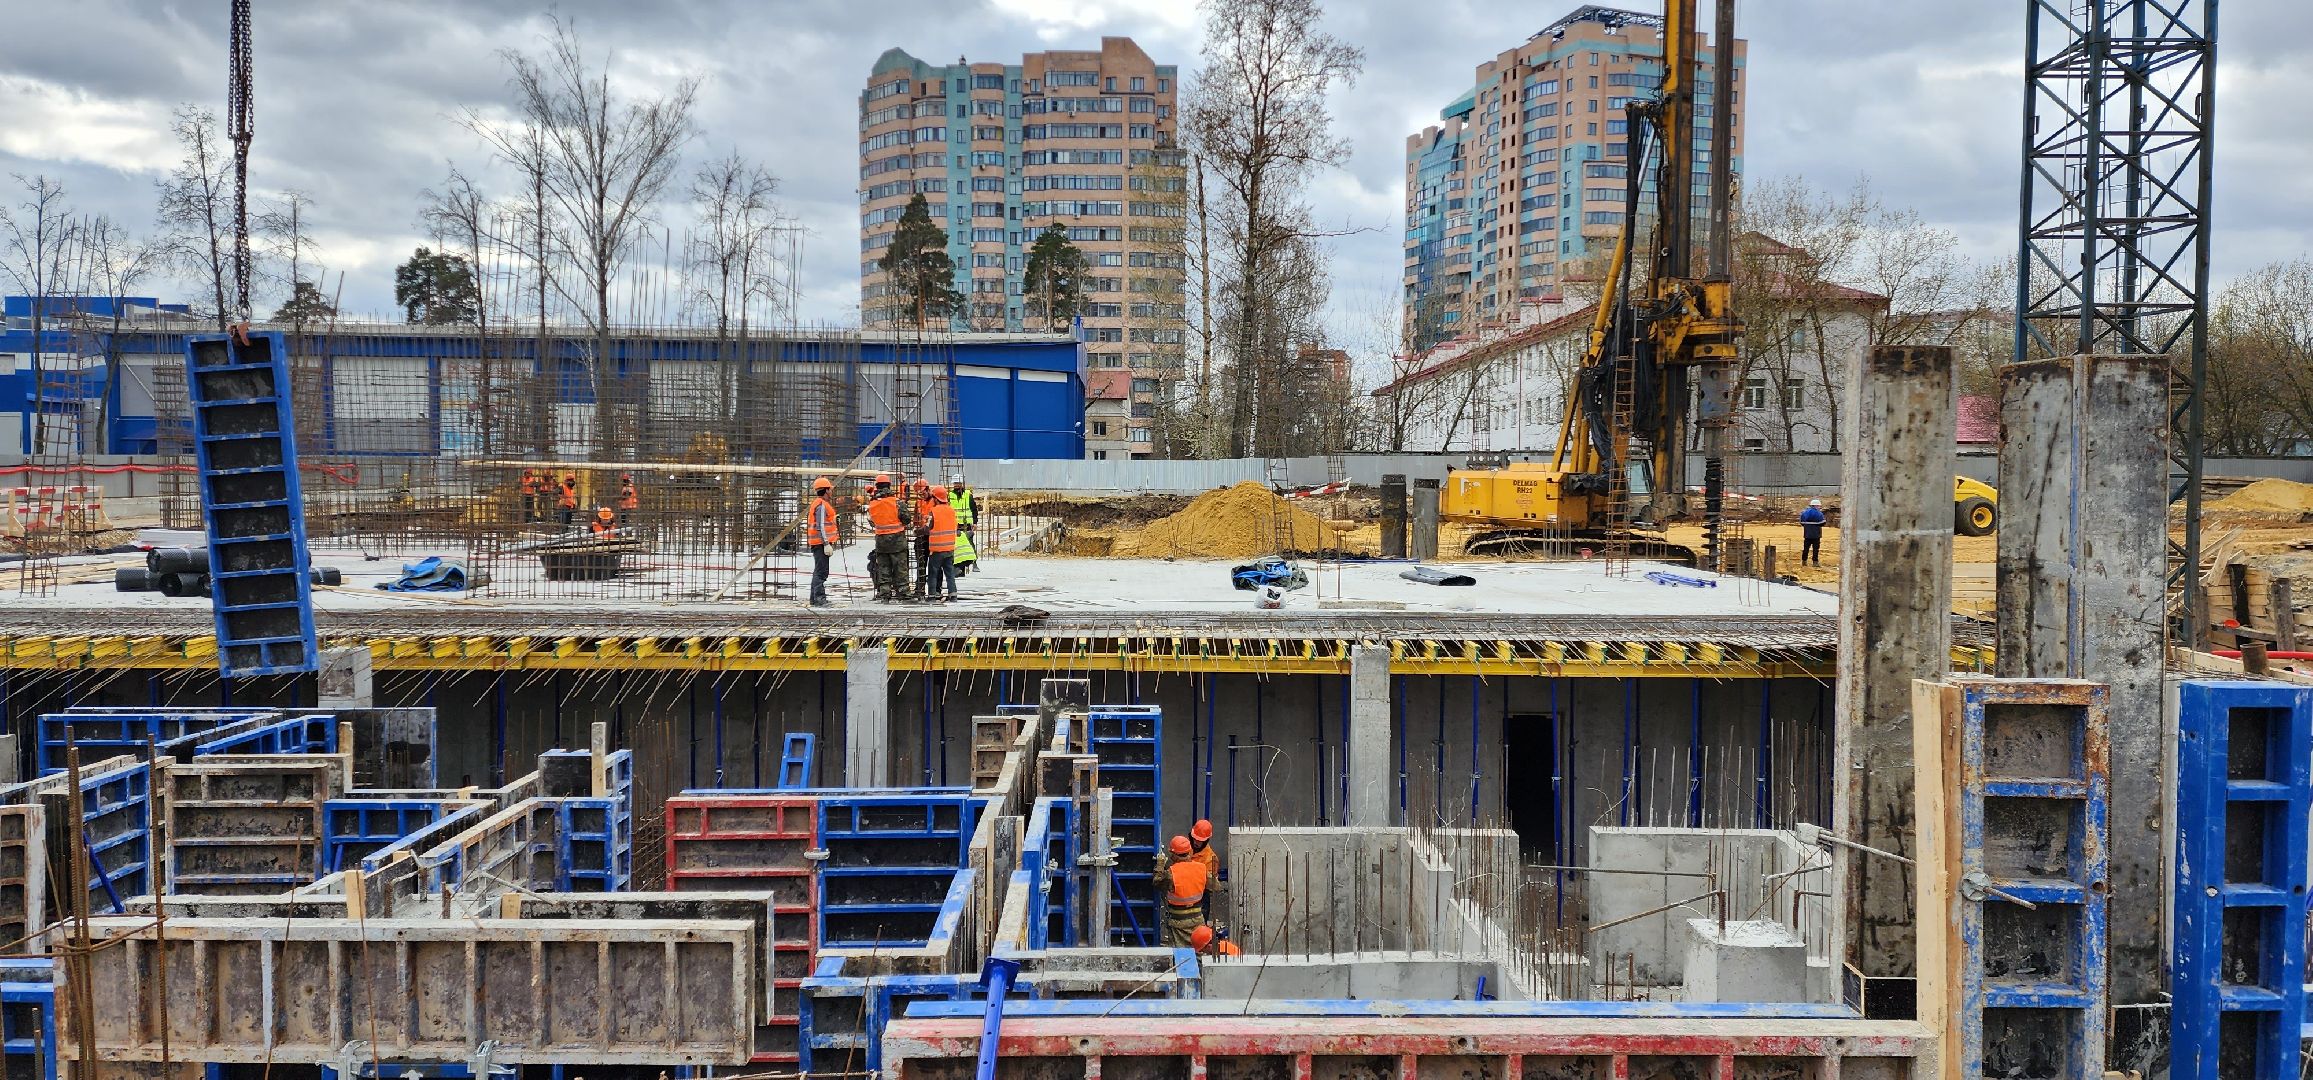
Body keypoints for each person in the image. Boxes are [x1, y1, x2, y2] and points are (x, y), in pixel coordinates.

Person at [864, 476, 910, 602]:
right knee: (900, 567)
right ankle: (903, 592)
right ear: (889, 486)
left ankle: (885, 593)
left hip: (881, 541)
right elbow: (906, 519)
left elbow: (872, 522)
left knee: (883, 567)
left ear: (877, 486)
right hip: (897, 540)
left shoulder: (872, 504)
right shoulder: (897, 502)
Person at [1161, 835, 1208, 947]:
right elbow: (1215, 886)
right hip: (1197, 920)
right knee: (1199, 949)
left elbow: (1157, 882)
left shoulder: (1171, 873)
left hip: (1178, 923)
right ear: (1190, 852)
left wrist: (1159, 865)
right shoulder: (1202, 868)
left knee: (1180, 955)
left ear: (1173, 855)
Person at [805, 476, 840, 607]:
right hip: (820, 543)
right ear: (825, 490)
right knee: (821, 572)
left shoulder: (820, 504)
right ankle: (819, 599)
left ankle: (814, 599)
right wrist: (826, 543)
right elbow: (820, 525)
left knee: (818, 571)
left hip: (818, 543)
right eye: (830, 490)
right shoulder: (821, 505)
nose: (831, 492)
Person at [925, 485, 960, 601]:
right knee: (950, 574)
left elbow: (926, 528)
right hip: (949, 549)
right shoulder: (951, 510)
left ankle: (931, 595)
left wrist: (917, 530)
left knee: (933, 573)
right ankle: (953, 594)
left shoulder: (933, 511)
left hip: (936, 550)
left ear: (936, 498)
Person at [909, 478, 935, 599]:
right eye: (919, 494)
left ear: (928, 489)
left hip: (933, 537)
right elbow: (915, 519)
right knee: (921, 564)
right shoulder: (918, 502)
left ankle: (934, 589)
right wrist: (915, 528)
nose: (921, 495)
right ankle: (919, 588)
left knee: (934, 565)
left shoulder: (935, 501)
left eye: (923, 493)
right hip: (921, 536)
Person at [1799, 498, 1828, 566]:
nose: (1819, 507)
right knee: (1815, 549)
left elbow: (1802, 523)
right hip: (1816, 535)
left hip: (1807, 534)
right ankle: (1815, 562)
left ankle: (1804, 561)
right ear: (1816, 506)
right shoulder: (1819, 513)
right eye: (1819, 506)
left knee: (1806, 548)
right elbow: (1823, 523)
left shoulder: (1804, 513)